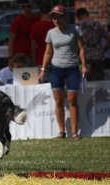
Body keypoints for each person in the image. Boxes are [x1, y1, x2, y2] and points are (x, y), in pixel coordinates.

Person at [38, 5, 88, 140]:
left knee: (72, 100)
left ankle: (75, 132)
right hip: (55, 69)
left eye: (58, 16)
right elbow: (48, 53)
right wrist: (43, 69)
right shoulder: (50, 33)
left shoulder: (75, 29)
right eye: (53, 16)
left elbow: (81, 49)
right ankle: (61, 132)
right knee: (58, 100)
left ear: (65, 16)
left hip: (72, 68)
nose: (55, 19)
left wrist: (83, 65)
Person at [76, 7, 110, 81]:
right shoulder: (97, 24)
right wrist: (104, 48)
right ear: (87, 15)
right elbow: (108, 38)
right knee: (98, 82)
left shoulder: (77, 26)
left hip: (83, 59)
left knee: (83, 81)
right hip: (98, 57)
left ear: (78, 17)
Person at [30, 2, 54, 66]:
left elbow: (33, 48)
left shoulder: (35, 27)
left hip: (40, 60)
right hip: (55, 59)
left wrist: (33, 62)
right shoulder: (55, 26)